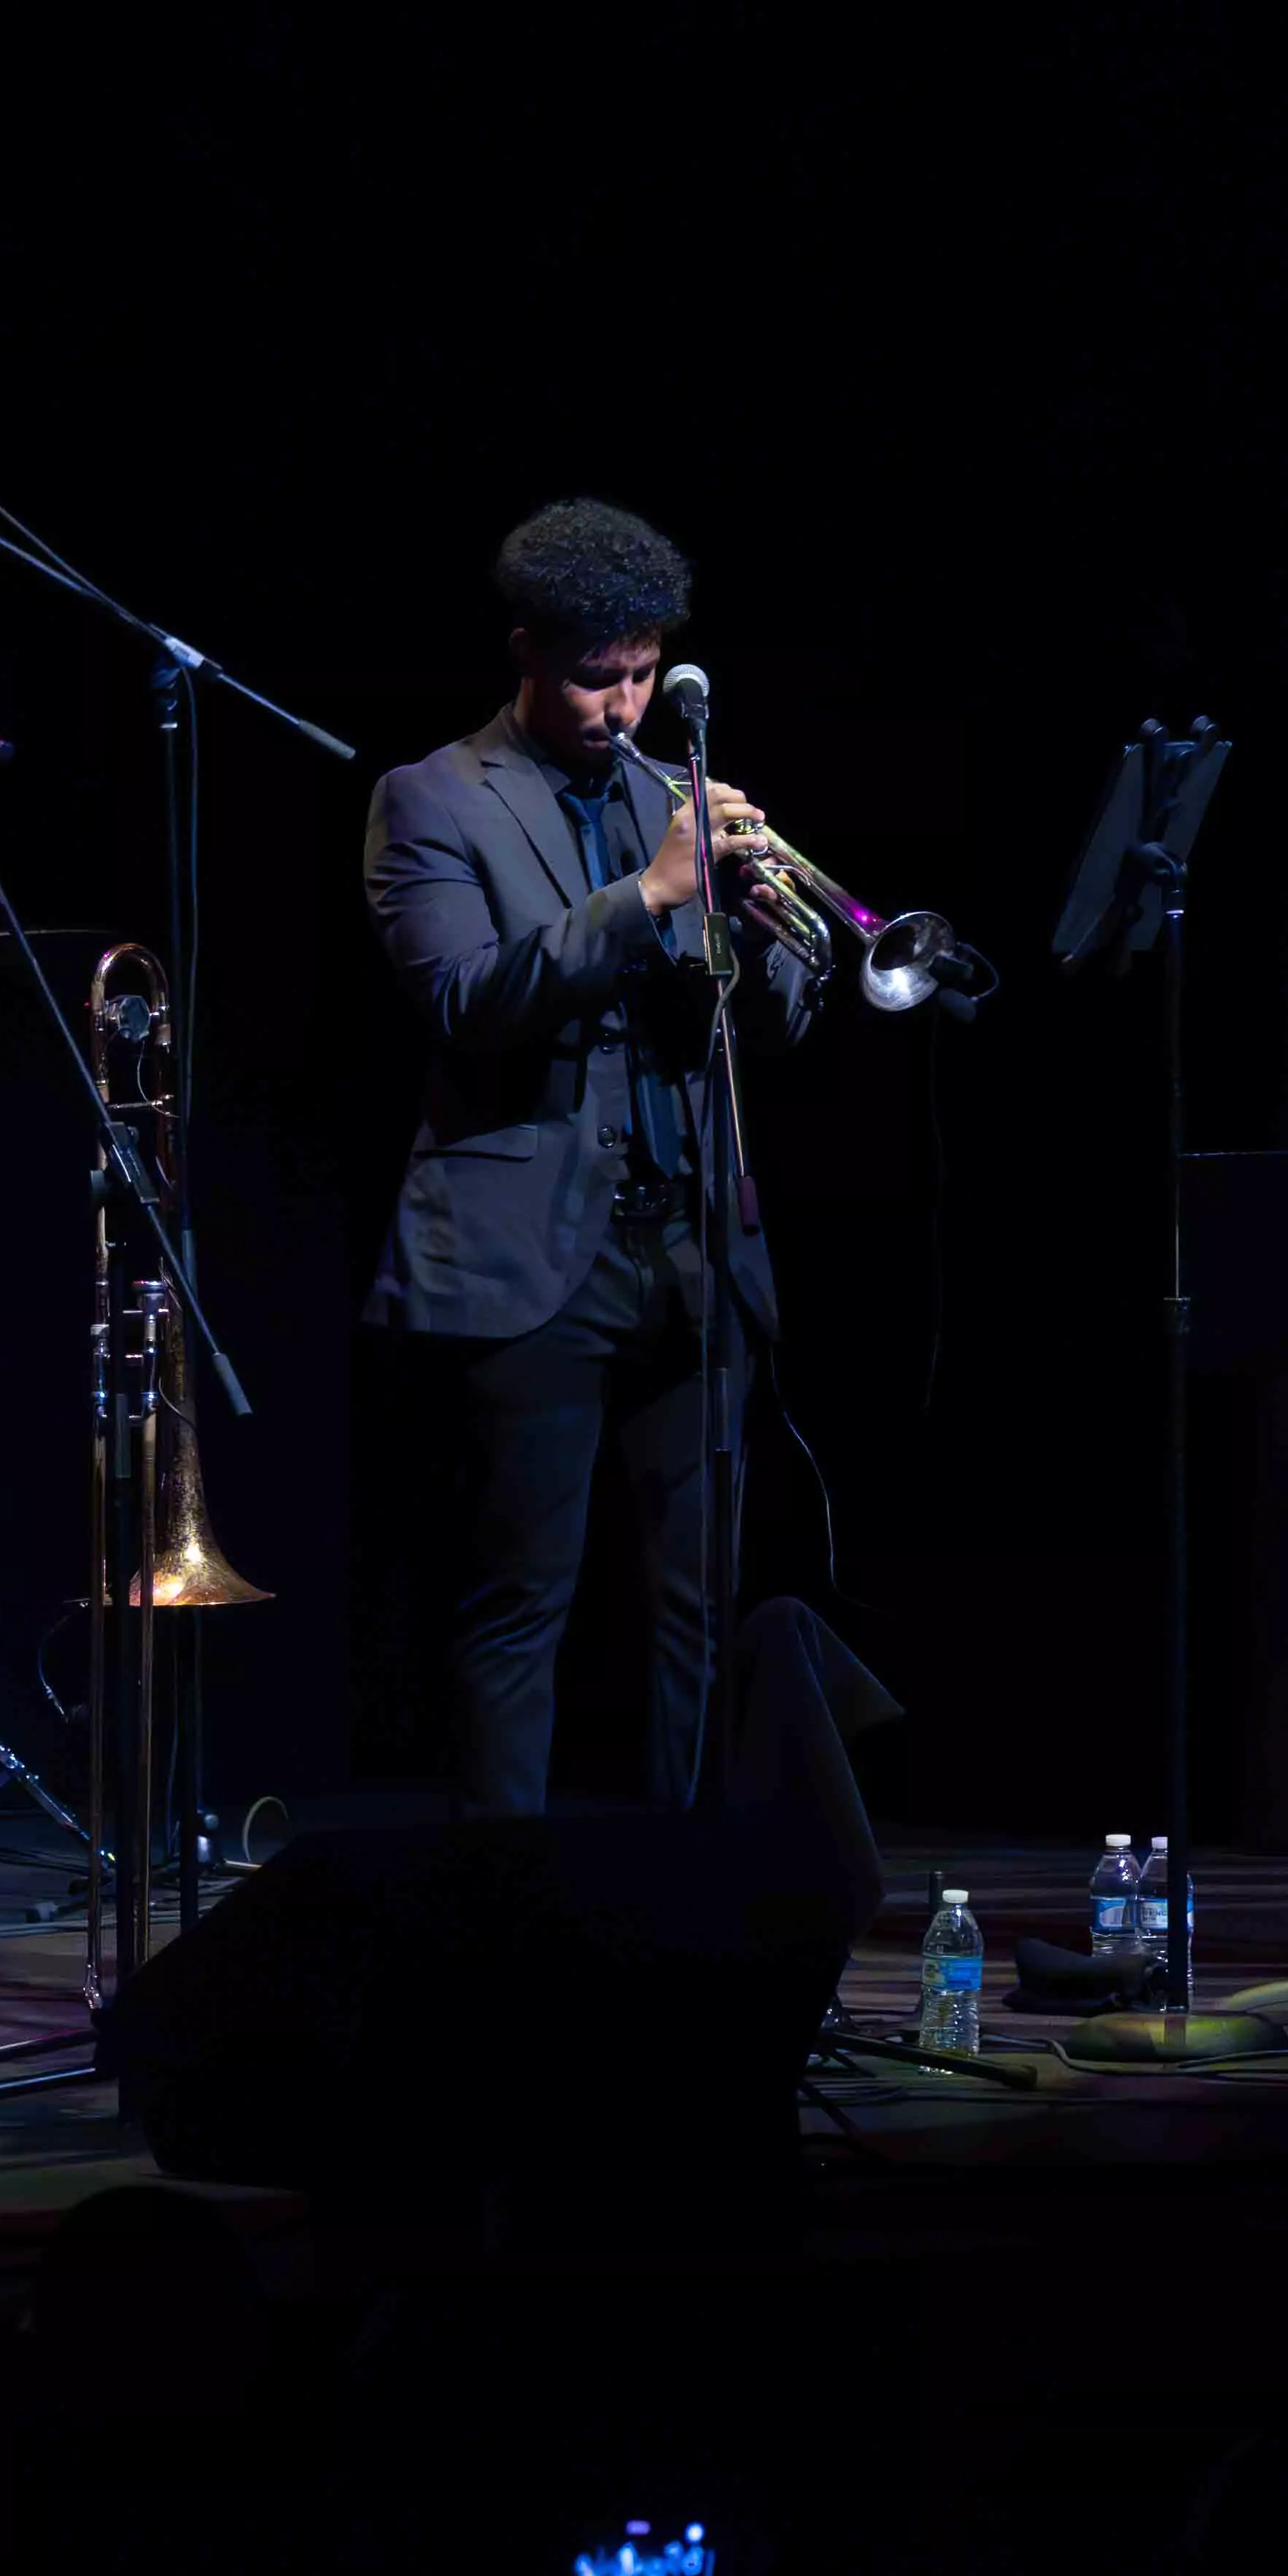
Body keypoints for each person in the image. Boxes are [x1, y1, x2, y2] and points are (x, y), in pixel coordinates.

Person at [361, 497, 816, 1819]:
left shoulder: (667, 799)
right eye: (593, 678)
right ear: (525, 652)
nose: (623, 707)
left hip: (690, 1245)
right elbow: (464, 996)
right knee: (522, 1607)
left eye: (638, 673)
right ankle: (502, 1916)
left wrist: (778, 937)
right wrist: (652, 897)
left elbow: (763, 1026)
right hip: (533, 1258)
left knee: (700, 1607)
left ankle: (680, 1900)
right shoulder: (432, 797)